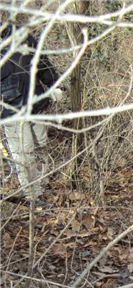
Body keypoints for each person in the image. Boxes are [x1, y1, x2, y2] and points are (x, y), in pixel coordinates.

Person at [1, 24, 62, 202]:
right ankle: (33, 196)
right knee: (24, 154)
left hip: (36, 103)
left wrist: (55, 85)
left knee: (42, 146)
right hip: (11, 112)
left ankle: (42, 187)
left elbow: (41, 62)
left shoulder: (22, 35)